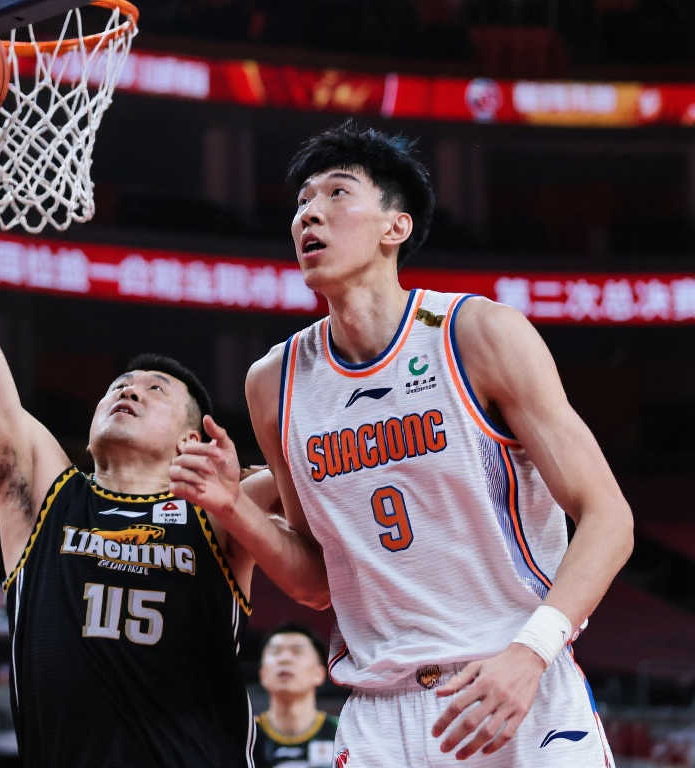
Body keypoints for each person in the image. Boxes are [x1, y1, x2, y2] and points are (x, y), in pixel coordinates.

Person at [170, 120, 633, 766]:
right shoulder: (274, 382)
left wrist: (533, 651)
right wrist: (234, 506)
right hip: (381, 715)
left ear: (396, 227)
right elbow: (317, 582)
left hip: (514, 681)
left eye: (337, 194)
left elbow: (609, 517)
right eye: (302, 202)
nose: (309, 215)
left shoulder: (478, 335)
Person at [0, 76, 263, 768]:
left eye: (155, 389)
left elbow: (332, 481)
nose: (129, 392)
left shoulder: (226, 508)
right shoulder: (42, 493)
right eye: (119, 386)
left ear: (192, 439)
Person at [255, 623, 337, 768]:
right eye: (275, 652)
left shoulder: (344, 732)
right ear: (262, 674)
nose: (284, 659)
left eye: (297, 651)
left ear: (319, 674)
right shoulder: (242, 735)